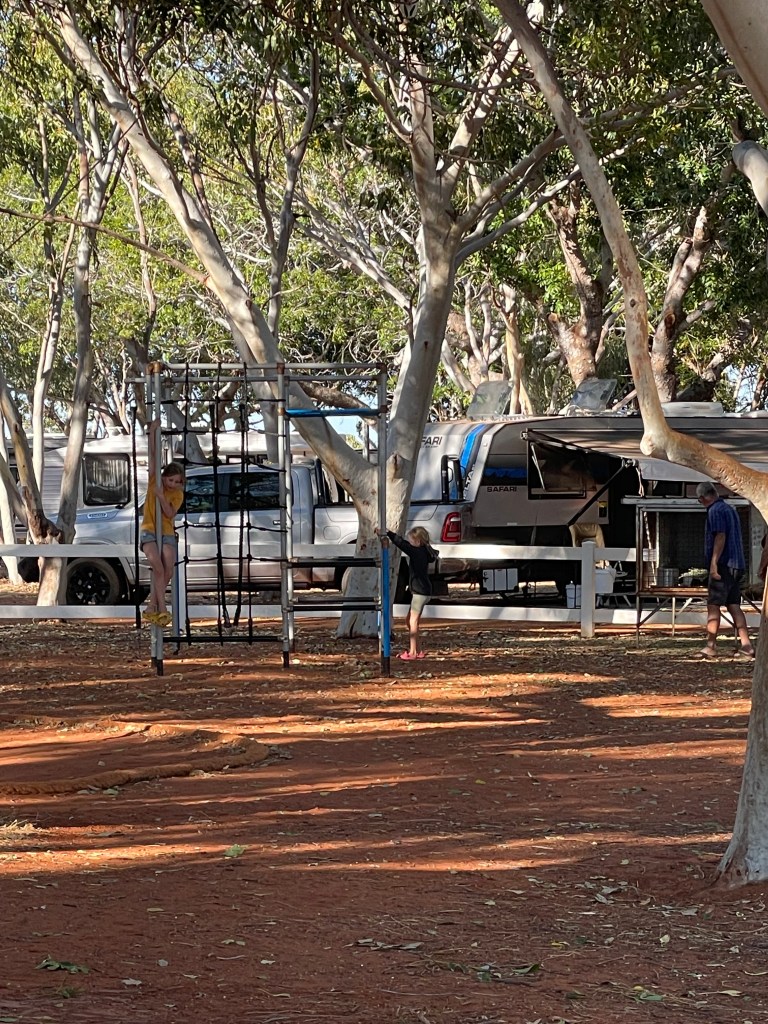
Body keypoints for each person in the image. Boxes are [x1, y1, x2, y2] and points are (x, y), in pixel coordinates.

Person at [696, 481, 754, 660]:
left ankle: (711, 646)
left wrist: (713, 563)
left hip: (724, 564)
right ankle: (746, 645)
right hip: (738, 564)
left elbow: (720, 536)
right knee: (733, 604)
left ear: (702, 498)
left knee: (713, 605)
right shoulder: (730, 509)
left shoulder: (715, 510)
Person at [141, 420, 185, 626]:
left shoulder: (177, 495)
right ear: (164, 477)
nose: (173, 484)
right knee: (157, 567)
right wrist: (152, 433)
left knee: (168, 569)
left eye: (177, 481)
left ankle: (152, 605)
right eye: (171, 480)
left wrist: (161, 496)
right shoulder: (154, 481)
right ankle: (163, 608)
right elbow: (152, 456)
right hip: (149, 530)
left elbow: (169, 513)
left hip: (167, 532)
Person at [376, 525, 438, 661]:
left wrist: (388, 533)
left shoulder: (417, 552)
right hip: (424, 591)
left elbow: (401, 544)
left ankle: (413, 652)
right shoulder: (425, 551)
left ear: (418, 541)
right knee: (409, 621)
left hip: (419, 593)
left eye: (411, 541)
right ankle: (418, 650)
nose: (409, 543)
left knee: (413, 621)